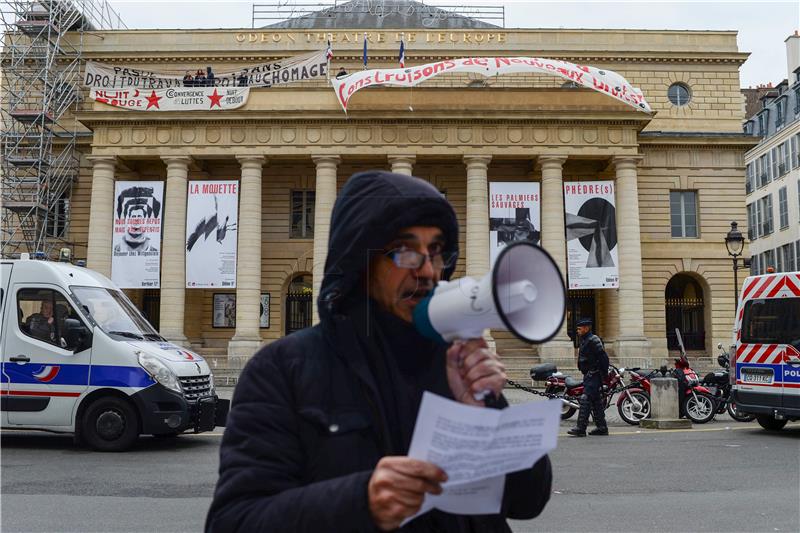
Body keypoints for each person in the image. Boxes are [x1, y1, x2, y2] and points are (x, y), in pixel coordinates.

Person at [206, 171, 552, 532]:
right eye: (405, 251)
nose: (429, 271)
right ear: (360, 261)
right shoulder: (281, 370)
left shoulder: (455, 362)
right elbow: (234, 521)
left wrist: (488, 411)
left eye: (435, 251)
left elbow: (528, 500)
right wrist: (360, 501)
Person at [568, 318, 609, 437]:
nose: (578, 331)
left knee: (585, 398)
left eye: (580, 329)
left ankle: (581, 428)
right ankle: (602, 427)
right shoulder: (585, 340)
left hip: (594, 374)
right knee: (596, 401)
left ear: (586, 328)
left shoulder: (593, 339)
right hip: (589, 374)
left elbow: (603, 358)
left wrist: (603, 374)